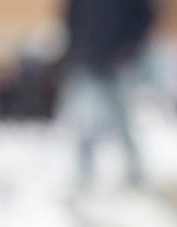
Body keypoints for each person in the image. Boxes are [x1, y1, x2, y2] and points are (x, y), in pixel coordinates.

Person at [62, 0, 157, 187]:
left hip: (118, 62)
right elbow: (71, 19)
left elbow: (145, 16)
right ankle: (85, 172)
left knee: (124, 119)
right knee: (85, 120)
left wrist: (131, 46)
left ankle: (136, 171)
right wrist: (74, 51)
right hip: (87, 60)